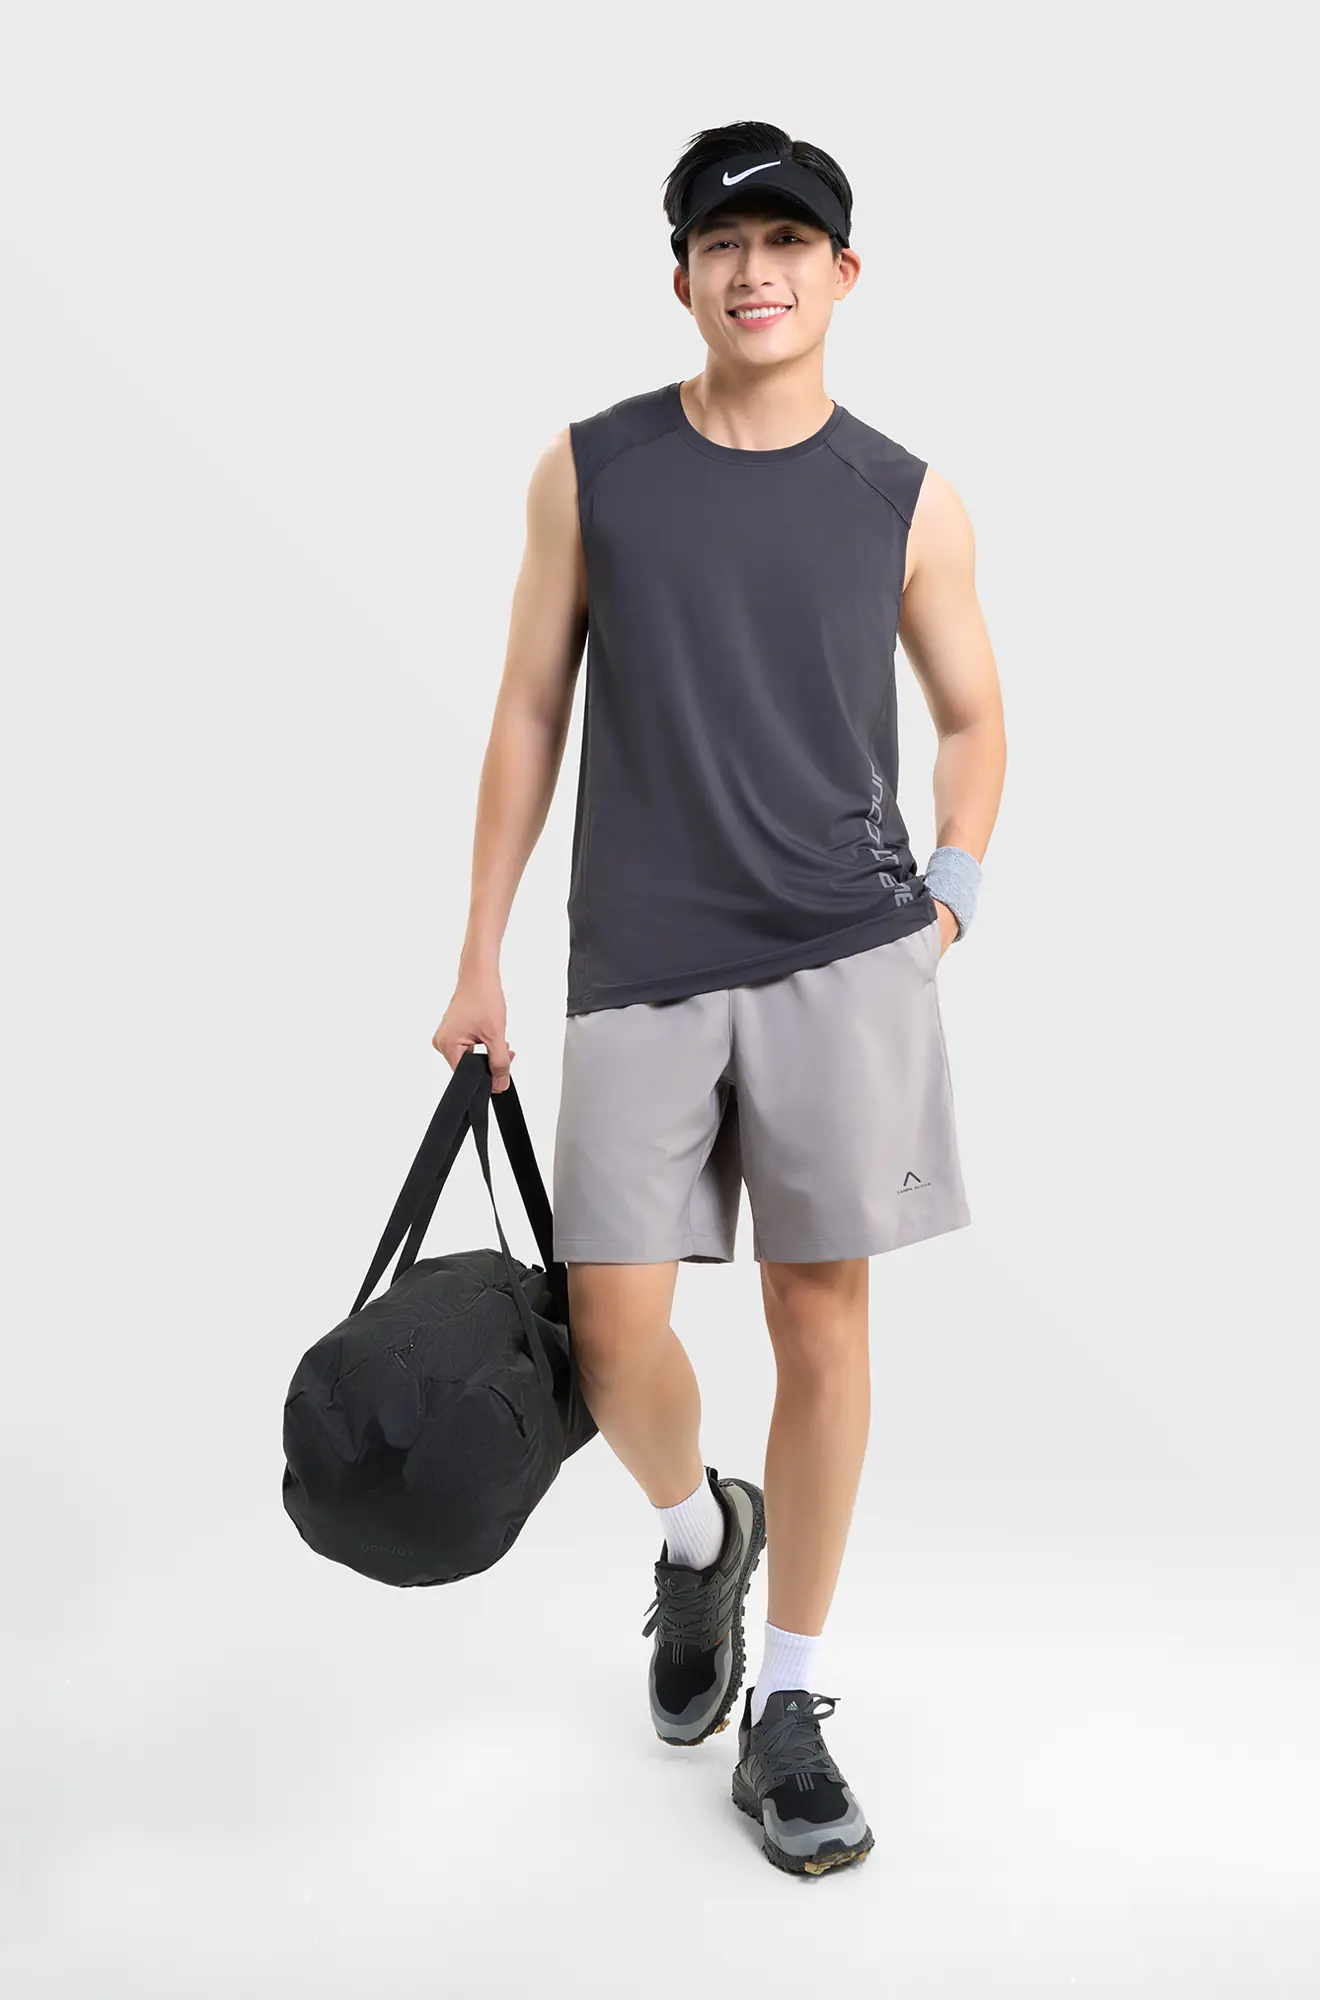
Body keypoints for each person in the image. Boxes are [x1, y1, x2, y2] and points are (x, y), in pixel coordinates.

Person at [432, 120, 1005, 1877]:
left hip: (847, 953)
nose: (756, 271)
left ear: (844, 272)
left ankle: (797, 1709)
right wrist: (479, 950)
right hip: (642, 961)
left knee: (820, 1325)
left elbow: (975, 716)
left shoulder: (905, 495)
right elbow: (530, 708)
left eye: (789, 240)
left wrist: (949, 900)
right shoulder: (591, 471)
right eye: (722, 243)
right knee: (611, 1337)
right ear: (680, 275)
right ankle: (701, 1542)